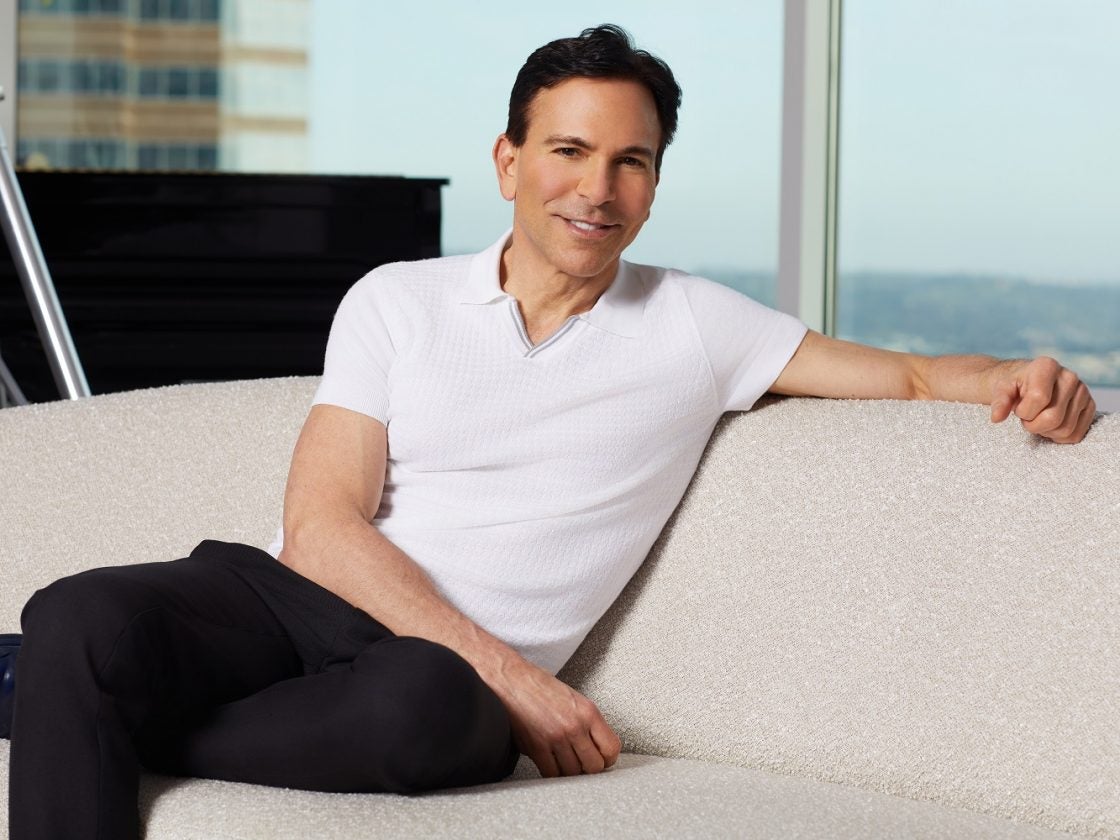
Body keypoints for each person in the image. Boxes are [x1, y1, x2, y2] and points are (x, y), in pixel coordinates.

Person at [3, 24, 1096, 840]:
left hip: (435, 690)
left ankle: (62, 701)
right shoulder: (397, 298)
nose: (597, 189)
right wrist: (522, 682)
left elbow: (911, 374)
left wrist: (1016, 375)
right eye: (569, 150)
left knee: (416, 709)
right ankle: (68, 682)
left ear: (655, 184)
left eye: (632, 161)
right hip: (296, 605)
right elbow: (322, 527)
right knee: (78, 612)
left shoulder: (698, 326)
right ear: (508, 161)